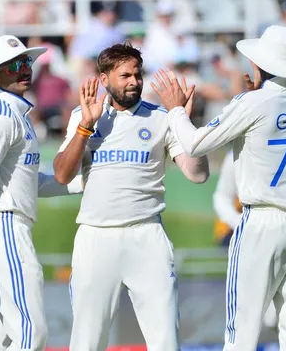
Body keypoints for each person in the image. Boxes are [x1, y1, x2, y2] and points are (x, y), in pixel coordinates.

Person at [151, 25, 286, 350]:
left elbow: (193, 144)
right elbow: (276, 109)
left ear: (261, 65)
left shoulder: (252, 102)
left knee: (240, 333)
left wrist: (176, 110)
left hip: (262, 223)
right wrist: (253, 94)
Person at [53, 41, 210, 351]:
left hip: (146, 235)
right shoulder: (83, 116)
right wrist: (86, 126)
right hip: (96, 238)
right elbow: (61, 175)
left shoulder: (160, 117)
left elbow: (197, 174)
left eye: (138, 75)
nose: (134, 82)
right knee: (87, 340)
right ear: (103, 79)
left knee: (165, 339)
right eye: (125, 75)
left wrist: (183, 121)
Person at [0, 35, 84, 351]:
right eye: (13, 66)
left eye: (26, 62)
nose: (25, 70)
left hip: (2, 225)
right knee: (30, 332)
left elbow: (29, 184)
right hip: (5, 226)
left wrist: (81, 184)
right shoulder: (2, 118)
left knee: (2, 334)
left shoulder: (13, 115)